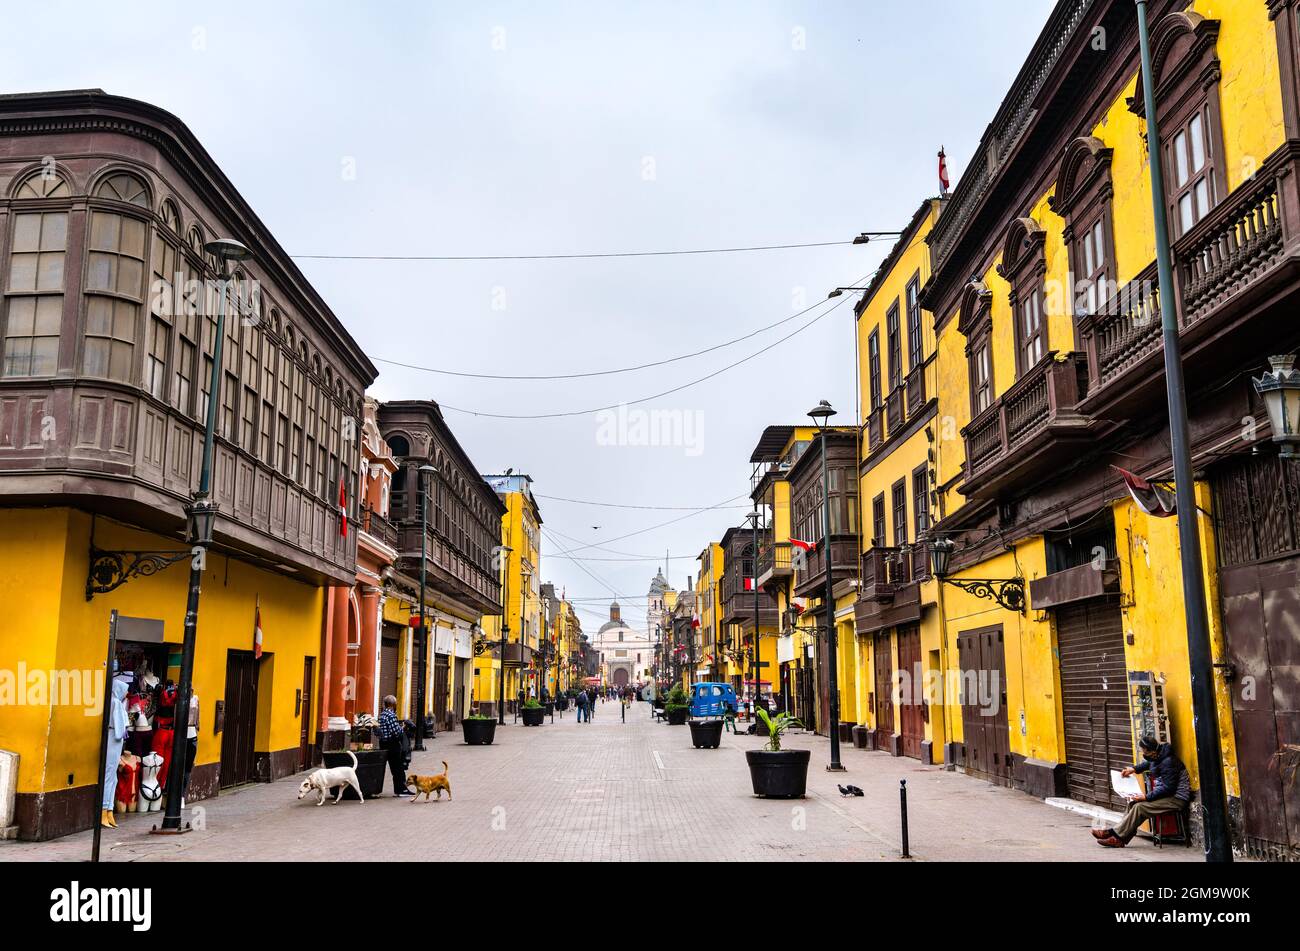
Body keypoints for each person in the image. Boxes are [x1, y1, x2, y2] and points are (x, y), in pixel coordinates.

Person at [1094, 736, 1191, 847]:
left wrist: (1146, 797)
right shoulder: (1159, 755)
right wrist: (1133, 769)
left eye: (1144, 752)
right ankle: (1117, 836)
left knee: (1139, 808)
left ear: (1152, 751)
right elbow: (1148, 763)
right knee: (1133, 804)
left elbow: (1168, 788)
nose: (1143, 754)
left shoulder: (1169, 762)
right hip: (1168, 796)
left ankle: (1116, 836)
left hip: (1177, 799)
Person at [376, 695, 410, 797]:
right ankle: (401, 790)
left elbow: (377, 732)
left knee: (382, 767)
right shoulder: (391, 715)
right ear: (394, 704)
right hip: (392, 744)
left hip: (383, 743)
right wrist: (402, 727)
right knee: (397, 768)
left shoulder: (381, 715)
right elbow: (396, 732)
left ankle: (376, 790)